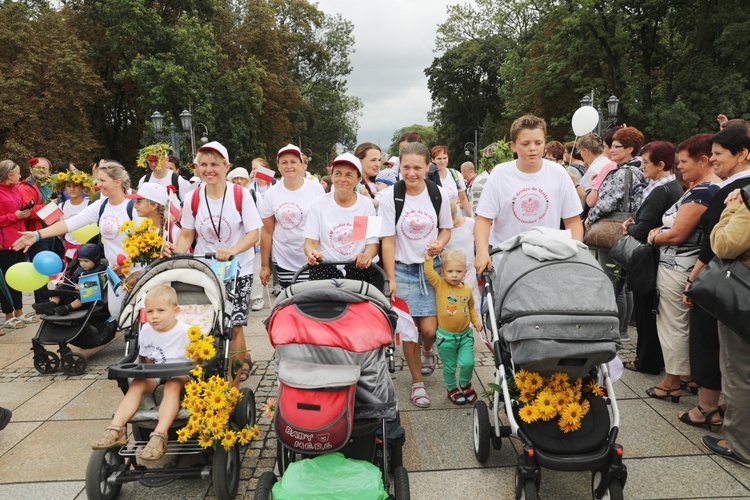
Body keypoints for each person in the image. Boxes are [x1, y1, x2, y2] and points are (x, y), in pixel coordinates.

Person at [163, 142, 262, 388]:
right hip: (207, 270)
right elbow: (187, 234)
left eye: (215, 164)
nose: (209, 170)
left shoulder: (240, 195)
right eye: (203, 164)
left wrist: (231, 251)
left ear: (226, 167)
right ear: (196, 168)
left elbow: (253, 234)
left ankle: (233, 386)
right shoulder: (193, 196)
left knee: (235, 326)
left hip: (239, 269)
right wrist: (177, 250)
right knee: (209, 323)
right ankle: (209, 372)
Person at [678, 124, 750, 430]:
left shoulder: (738, 191)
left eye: (719, 154)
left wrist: (693, 280)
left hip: (728, 281)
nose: (713, 159)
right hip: (733, 278)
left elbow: (717, 244)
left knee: (717, 348)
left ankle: (710, 409)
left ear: (742, 154)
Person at [644, 134, 721, 403]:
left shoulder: (704, 191)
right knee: (683, 324)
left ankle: (671, 381)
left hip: (678, 268)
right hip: (685, 267)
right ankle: (688, 376)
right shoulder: (707, 188)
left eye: (685, 161)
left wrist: (654, 236)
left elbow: (678, 234)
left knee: (673, 323)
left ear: (703, 160)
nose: (680, 166)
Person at [14, 160, 141, 319]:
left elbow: (147, 243)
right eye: (98, 180)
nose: (98, 184)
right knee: (119, 315)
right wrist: (37, 235)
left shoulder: (134, 207)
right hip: (115, 273)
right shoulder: (100, 206)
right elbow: (69, 224)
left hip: (137, 271)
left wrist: (129, 263)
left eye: (102, 180)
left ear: (117, 182)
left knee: (138, 316)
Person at [380, 142, 453, 408]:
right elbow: (387, 240)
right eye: (406, 167)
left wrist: (440, 243)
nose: (411, 173)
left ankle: (428, 350)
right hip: (402, 268)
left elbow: (446, 229)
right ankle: (416, 383)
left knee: (429, 330)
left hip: (431, 270)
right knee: (410, 332)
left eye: (417, 167)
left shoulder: (438, 194)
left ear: (427, 167)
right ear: (399, 166)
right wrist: (391, 279)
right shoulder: (391, 196)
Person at [475, 114, 584, 274]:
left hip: (548, 262)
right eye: (525, 143)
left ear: (544, 144)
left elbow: (573, 220)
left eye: (538, 143)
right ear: (513, 146)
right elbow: (483, 220)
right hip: (507, 264)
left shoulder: (558, 173)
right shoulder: (500, 174)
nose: (532, 148)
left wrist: (575, 251)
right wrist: (482, 251)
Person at [91, 285, 190, 461]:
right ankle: (117, 428)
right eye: (150, 311)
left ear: (175, 311)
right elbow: (146, 358)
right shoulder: (146, 330)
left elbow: (197, 360)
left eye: (161, 310)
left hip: (182, 375)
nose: (155, 316)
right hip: (156, 372)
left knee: (172, 385)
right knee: (137, 383)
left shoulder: (186, 331)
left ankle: (160, 434)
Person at [622, 141, 683, 375]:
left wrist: (630, 227)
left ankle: (645, 361)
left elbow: (644, 228)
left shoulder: (659, 190)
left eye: (646, 162)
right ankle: (655, 359)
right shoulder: (674, 186)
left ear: (661, 164)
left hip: (650, 259)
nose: (641, 165)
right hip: (662, 258)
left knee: (647, 311)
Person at [702, 187, 750, 467]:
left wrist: (731, 208)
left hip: (743, 299)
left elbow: (724, 245)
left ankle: (742, 448)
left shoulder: (745, 199)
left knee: (740, 373)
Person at [585, 127, 646, 343]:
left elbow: (607, 202)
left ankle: (615, 333)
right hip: (629, 228)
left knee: (612, 282)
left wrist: (590, 218)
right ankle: (623, 331)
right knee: (625, 285)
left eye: (617, 146)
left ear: (629, 149)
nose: (611, 150)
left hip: (612, 230)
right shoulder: (639, 170)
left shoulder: (620, 172)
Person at [303, 153, 379, 282]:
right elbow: (310, 242)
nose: (342, 179)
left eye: (349, 175)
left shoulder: (366, 205)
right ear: (331, 176)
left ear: (358, 179)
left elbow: (372, 243)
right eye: (338, 173)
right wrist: (311, 253)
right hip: (324, 269)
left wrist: (366, 255)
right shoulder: (318, 204)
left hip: (357, 269)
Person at [259, 144, 325, 289]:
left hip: (312, 258)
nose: (289, 166)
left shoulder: (315, 188)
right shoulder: (272, 193)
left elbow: (324, 223)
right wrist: (265, 266)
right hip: (284, 258)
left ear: (301, 164)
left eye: (293, 162)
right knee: (290, 302)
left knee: (313, 301)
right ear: (278, 166)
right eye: (284, 162)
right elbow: (267, 231)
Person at [424, 249, 481, 405]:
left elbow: (471, 308)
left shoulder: (467, 289)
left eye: (458, 271)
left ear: (465, 272)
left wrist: (476, 321)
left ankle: (465, 383)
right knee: (449, 367)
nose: (454, 275)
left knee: (468, 363)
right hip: (446, 338)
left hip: (465, 336)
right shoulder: (440, 284)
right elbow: (429, 272)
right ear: (443, 272)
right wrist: (429, 257)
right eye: (450, 271)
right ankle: (451, 388)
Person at [0, 160, 34, 332]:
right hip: (4, 244)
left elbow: (18, 212)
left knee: (18, 278)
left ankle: (19, 311)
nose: (20, 176)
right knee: (7, 281)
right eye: (18, 173)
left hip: (19, 240)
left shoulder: (15, 190)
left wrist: (24, 212)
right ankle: (8, 315)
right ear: (9, 175)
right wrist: (15, 216)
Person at [32, 243, 106, 316]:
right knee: (61, 288)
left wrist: (82, 287)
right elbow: (72, 281)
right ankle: (51, 305)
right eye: (80, 261)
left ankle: (67, 308)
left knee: (87, 293)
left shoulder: (101, 270)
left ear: (95, 259)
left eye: (86, 261)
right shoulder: (80, 269)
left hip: (89, 297)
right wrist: (65, 282)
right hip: (74, 293)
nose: (82, 264)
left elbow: (99, 286)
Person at [18, 156, 53, 308]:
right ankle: (42, 302)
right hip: (35, 232)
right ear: (31, 169)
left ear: (49, 171)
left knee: (48, 267)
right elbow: (29, 213)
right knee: (40, 267)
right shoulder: (25, 187)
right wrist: (48, 205)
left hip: (50, 229)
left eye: (44, 168)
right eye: (37, 167)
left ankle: (45, 300)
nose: (40, 170)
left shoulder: (50, 185)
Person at [444, 201, 479, 316]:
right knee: (452, 298)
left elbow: (480, 242)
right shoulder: (443, 230)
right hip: (450, 271)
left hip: (468, 268)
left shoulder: (469, 223)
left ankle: (474, 322)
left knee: (470, 297)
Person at [51, 170, 94, 262]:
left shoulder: (90, 205)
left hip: (88, 249)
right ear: (65, 188)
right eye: (68, 186)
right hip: (69, 250)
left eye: (75, 186)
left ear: (82, 187)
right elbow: (60, 232)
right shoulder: (61, 206)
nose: (72, 189)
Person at [430, 146, 473, 217]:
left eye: (445, 158)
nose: (442, 161)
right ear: (432, 160)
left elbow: (463, 198)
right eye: (439, 159)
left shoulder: (456, 175)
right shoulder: (430, 178)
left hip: (456, 218)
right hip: (438, 218)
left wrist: (472, 217)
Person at [353, 142, 382, 208]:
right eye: (373, 160)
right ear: (359, 161)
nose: (378, 164)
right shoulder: (351, 185)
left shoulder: (384, 183)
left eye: (379, 160)